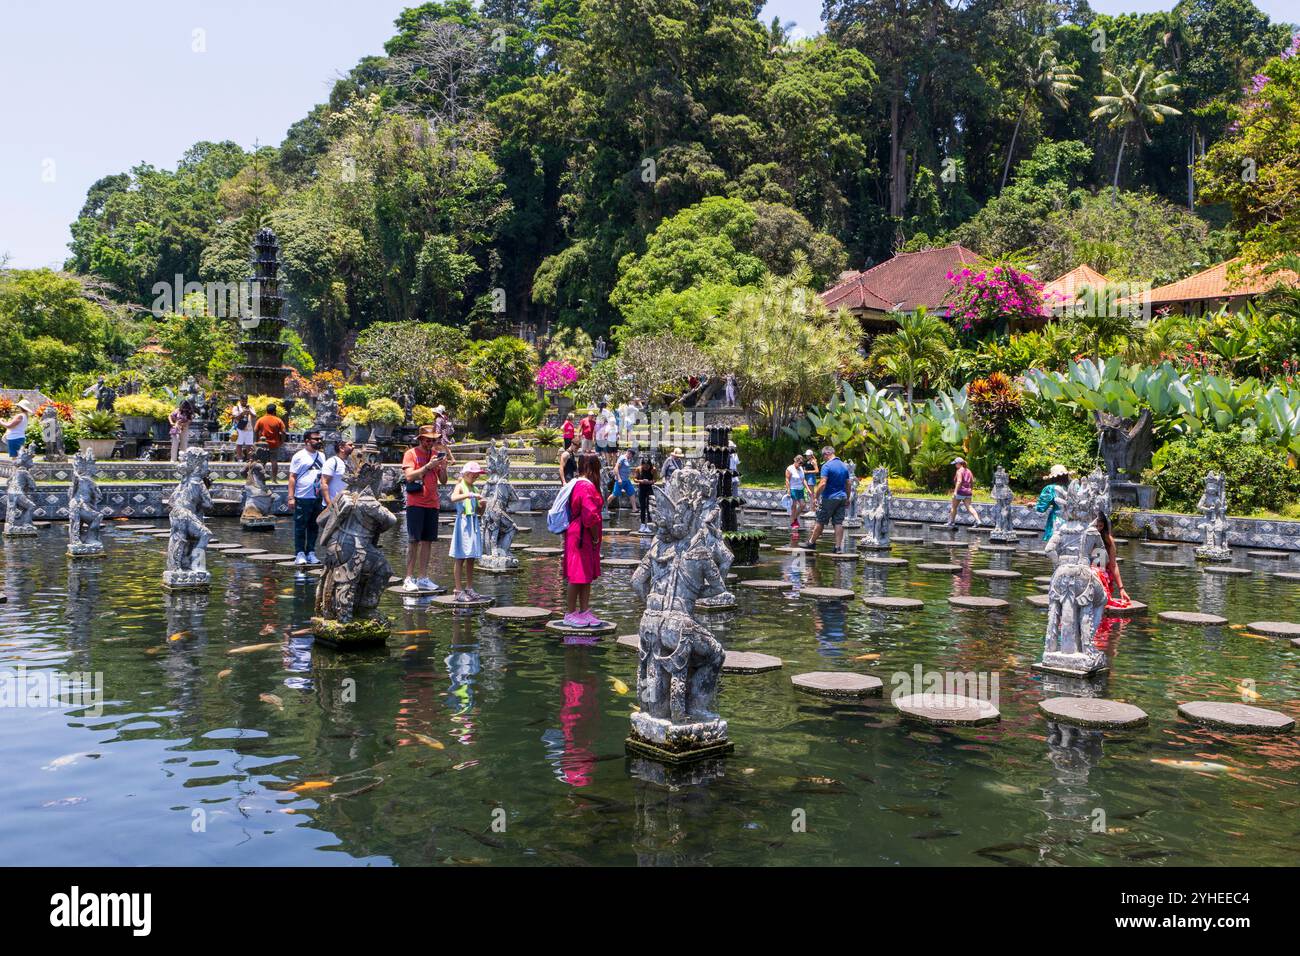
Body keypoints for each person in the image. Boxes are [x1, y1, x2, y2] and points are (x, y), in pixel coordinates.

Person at [402, 424, 454, 591]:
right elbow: (409, 476)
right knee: (413, 540)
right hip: (416, 503)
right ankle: (409, 578)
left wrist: (443, 468)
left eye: (433, 440)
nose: (430, 443)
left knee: (428, 541)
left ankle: (423, 577)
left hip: (433, 503)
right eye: (427, 440)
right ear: (420, 439)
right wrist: (427, 467)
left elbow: (444, 480)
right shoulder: (411, 454)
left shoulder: (435, 455)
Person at [562, 453, 605, 627]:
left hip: (582, 534)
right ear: (592, 468)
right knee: (577, 574)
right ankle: (570, 613)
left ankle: (584, 610)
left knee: (585, 575)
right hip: (582, 535)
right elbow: (590, 516)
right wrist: (595, 538)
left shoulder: (581, 484)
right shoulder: (585, 486)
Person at [287, 429, 327, 565]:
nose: (319, 441)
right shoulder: (299, 456)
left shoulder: (322, 456)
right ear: (307, 441)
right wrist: (291, 497)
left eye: (320, 439)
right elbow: (292, 477)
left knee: (314, 526)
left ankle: (311, 552)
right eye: (316, 439)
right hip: (302, 496)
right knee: (300, 526)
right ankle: (299, 553)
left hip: (316, 497)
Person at [449, 461, 487, 602]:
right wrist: (468, 495)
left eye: (477, 475)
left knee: (471, 557)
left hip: (473, 523)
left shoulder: (475, 489)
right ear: (466, 473)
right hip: (463, 523)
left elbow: (479, 512)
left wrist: (482, 506)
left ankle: (469, 587)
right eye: (473, 474)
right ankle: (458, 590)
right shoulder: (460, 486)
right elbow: (453, 498)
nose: (475, 476)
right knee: (460, 557)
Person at [801, 445, 850, 553]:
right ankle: (837, 547)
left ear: (827, 454)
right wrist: (848, 498)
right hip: (842, 497)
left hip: (829, 498)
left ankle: (811, 543)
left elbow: (823, 483)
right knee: (838, 522)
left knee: (820, 521)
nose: (823, 458)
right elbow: (848, 483)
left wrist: (816, 497)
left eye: (823, 456)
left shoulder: (827, 466)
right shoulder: (844, 466)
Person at [1094, 511, 1131, 608]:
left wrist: (1121, 588)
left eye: (1100, 526)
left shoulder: (1108, 540)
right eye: (1095, 526)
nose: (1098, 529)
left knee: (1098, 573)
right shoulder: (1083, 537)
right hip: (1085, 575)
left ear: (1104, 526)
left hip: (1102, 577)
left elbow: (1113, 565)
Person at [1036, 464, 1071, 541]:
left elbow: (1041, 508)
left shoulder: (1050, 488)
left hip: (1057, 518)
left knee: (1054, 542)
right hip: (1072, 519)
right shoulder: (1073, 486)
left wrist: (1035, 506)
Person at [944, 456, 981, 528]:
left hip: (960, 492)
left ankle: (951, 522)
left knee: (954, 507)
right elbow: (972, 481)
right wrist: (971, 489)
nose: (955, 465)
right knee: (969, 507)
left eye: (955, 464)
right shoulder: (968, 471)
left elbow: (959, 481)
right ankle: (978, 520)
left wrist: (955, 492)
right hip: (968, 492)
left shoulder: (959, 471)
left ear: (959, 464)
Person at [254, 403, 287, 480]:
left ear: (266, 410)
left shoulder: (261, 419)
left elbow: (255, 430)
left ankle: (260, 478)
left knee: (261, 462)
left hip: (262, 444)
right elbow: (284, 432)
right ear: (274, 411)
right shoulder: (278, 420)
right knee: (274, 461)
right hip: (274, 444)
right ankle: (274, 479)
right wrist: (282, 441)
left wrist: (256, 442)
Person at [320, 437, 354, 508]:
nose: (353, 447)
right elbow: (324, 484)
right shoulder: (332, 462)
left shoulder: (349, 462)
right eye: (350, 445)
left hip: (345, 504)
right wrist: (329, 505)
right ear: (341, 448)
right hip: (333, 504)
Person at [633, 455, 657, 533]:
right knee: (642, 507)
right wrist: (641, 481)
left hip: (650, 488)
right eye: (644, 466)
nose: (646, 467)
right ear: (642, 465)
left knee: (649, 507)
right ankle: (642, 524)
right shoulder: (638, 469)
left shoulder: (653, 469)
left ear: (650, 465)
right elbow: (635, 479)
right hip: (642, 488)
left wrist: (649, 482)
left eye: (647, 466)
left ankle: (649, 525)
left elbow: (655, 479)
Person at [785, 453, 808, 529]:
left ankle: (794, 518)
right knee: (794, 506)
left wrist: (807, 489)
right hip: (793, 489)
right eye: (799, 463)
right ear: (795, 461)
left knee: (803, 505)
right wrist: (788, 490)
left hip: (800, 489)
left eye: (801, 463)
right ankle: (793, 523)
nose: (800, 465)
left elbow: (803, 479)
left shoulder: (801, 468)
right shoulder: (790, 468)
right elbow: (787, 480)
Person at [610, 447, 636, 513]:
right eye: (631, 456)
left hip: (626, 480)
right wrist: (619, 479)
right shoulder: (622, 458)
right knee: (614, 494)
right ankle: (604, 507)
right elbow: (616, 469)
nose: (631, 457)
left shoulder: (628, 459)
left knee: (632, 492)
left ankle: (634, 509)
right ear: (629, 453)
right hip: (620, 480)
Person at [229, 396, 255, 463]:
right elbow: (236, 417)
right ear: (240, 400)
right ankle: (239, 458)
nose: (244, 402)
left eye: (246, 401)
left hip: (249, 428)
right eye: (243, 401)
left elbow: (255, 416)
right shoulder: (236, 408)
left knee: (249, 444)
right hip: (240, 428)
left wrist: (250, 412)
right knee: (239, 444)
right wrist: (242, 413)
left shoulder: (250, 407)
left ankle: (249, 458)